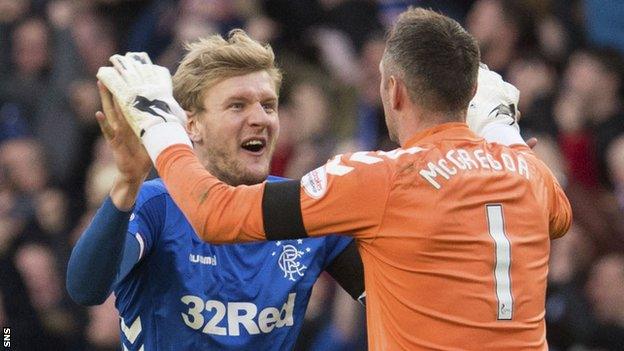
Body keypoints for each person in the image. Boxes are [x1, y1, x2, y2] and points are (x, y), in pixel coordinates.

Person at [101, 9, 572, 351]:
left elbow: (214, 213)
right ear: (472, 92)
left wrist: (159, 124)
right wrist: (500, 127)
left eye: (267, 103)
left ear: (393, 89)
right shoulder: (532, 175)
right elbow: (556, 215)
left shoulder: (377, 180)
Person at [66, 32, 365, 351]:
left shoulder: (305, 209)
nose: (260, 119)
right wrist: (127, 181)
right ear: (192, 125)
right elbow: (87, 288)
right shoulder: (156, 205)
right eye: (237, 106)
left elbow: (393, 299)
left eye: (268, 105)